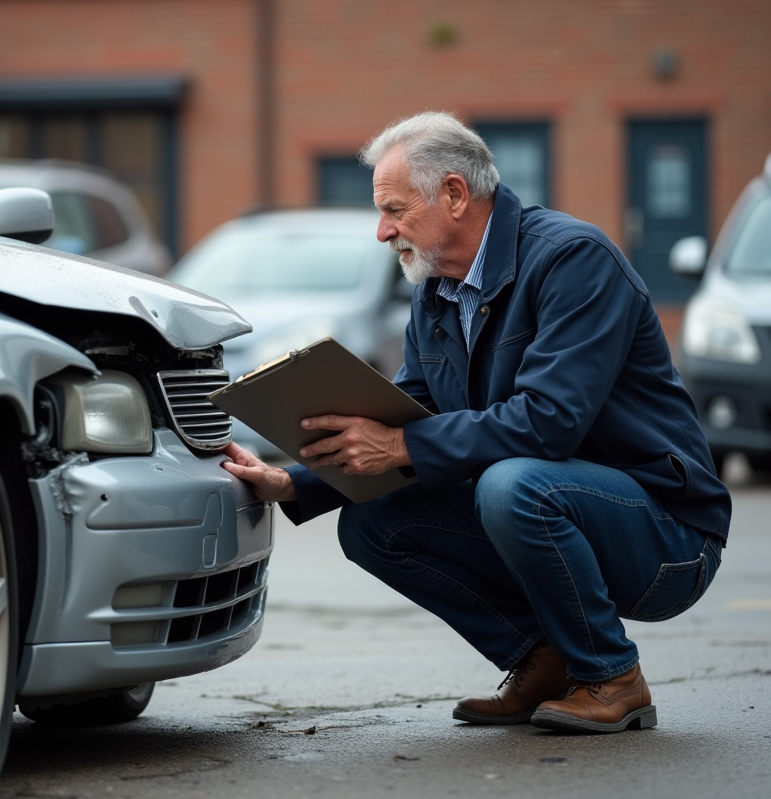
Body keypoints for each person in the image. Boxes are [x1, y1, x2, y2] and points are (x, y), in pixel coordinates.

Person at [221, 111, 730, 734]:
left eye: (394, 209)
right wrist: (297, 482)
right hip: (552, 506)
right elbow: (404, 414)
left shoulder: (574, 260)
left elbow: (549, 424)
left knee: (512, 484)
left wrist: (402, 443)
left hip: (666, 538)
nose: (382, 231)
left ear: (455, 195)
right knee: (373, 522)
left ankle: (612, 676)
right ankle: (543, 659)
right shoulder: (436, 291)